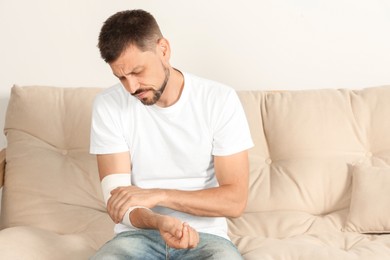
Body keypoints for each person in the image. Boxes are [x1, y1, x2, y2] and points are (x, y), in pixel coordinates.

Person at [90, 9, 253, 260]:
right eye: (121, 77)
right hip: (137, 235)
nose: (131, 87)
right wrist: (158, 221)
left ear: (163, 50)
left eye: (137, 72)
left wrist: (160, 194)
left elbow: (235, 201)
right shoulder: (108, 105)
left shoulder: (219, 100)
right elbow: (119, 204)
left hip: (206, 238)